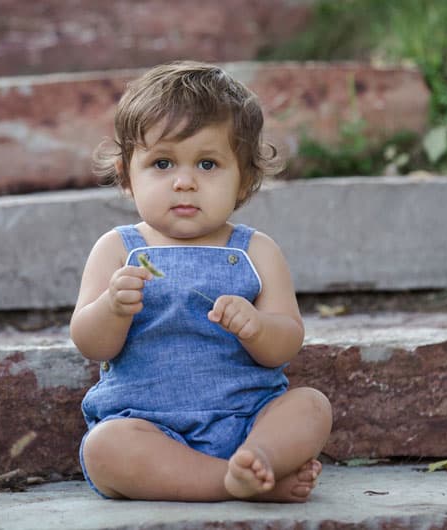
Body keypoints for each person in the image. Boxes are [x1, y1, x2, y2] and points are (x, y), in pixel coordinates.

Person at [70, 61, 332, 502]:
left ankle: (259, 459)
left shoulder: (256, 251)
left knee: (311, 406)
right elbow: (91, 343)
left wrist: (257, 326)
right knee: (104, 448)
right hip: (147, 424)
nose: (185, 182)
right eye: (163, 163)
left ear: (245, 177)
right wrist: (112, 309)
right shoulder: (118, 249)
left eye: (208, 163)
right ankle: (238, 483)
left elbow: (287, 342)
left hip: (248, 419)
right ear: (126, 174)